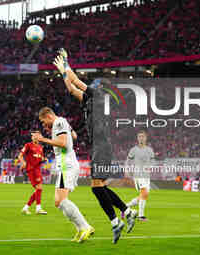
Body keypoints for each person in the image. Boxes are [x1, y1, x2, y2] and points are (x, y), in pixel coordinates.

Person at [53, 49, 136, 244]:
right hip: (99, 147)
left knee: (97, 187)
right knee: (99, 186)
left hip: (102, 146)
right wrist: (63, 73)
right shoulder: (90, 101)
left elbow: (74, 80)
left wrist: (65, 64)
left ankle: (117, 221)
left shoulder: (98, 96)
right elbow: (71, 89)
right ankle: (126, 213)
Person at [32, 107, 94, 243]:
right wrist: (54, 133)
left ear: (48, 116)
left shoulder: (59, 122)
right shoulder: (62, 122)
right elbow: (74, 135)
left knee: (61, 200)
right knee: (58, 202)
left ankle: (85, 227)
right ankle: (80, 229)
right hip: (67, 164)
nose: (44, 125)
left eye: (43, 122)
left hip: (67, 164)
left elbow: (63, 143)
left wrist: (42, 139)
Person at [126, 130, 155, 221]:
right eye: (139, 136)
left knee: (144, 195)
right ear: (137, 138)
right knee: (144, 193)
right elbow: (128, 160)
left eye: (143, 136)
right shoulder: (133, 150)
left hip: (146, 176)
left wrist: (151, 167)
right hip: (138, 175)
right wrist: (127, 170)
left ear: (146, 138)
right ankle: (141, 216)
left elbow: (153, 161)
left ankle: (125, 206)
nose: (141, 138)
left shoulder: (149, 150)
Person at [18, 131, 47, 215]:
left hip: (37, 169)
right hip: (31, 169)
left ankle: (26, 208)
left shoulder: (40, 148)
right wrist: (23, 163)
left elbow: (40, 158)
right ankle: (38, 208)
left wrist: (43, 159)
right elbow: (20, 156)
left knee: (38, 189)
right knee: (39, 188)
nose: (34, 137)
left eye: (36, 136)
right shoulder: (28, 145)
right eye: (33, 136)